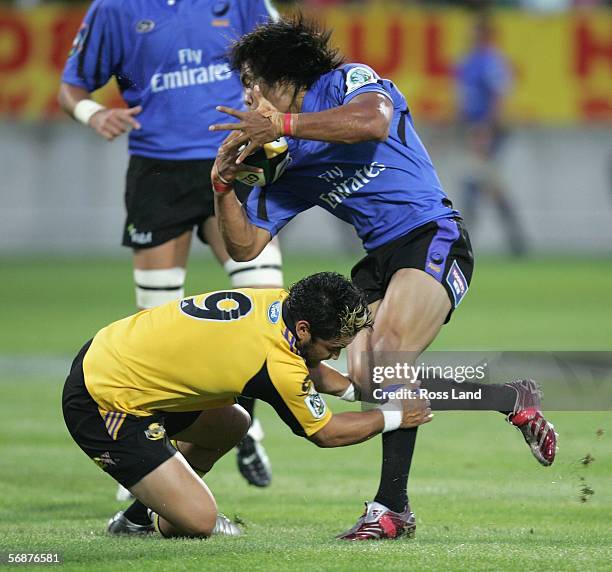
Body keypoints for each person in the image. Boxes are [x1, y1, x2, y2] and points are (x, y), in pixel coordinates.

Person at [208, 15, 558, 540]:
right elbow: (246, 245)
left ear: (284, 78)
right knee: (372, 382)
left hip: (433, 235)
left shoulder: (348, 82)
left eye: (252, 80)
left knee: (391, 354)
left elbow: (372, 121)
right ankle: (510, 398)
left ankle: (392, 509)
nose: (247, 93)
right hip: (378, 260)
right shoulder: (288, 160)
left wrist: (281, 127)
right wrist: (222, 187)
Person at [57, 0, 281, 493]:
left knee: (265, 298)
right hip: (158, 169)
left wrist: (270, 110)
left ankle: (249, 423)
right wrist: (95, 114)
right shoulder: (114, 9)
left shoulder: (243, 3)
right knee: (155, 323)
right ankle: (152, 452)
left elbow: (282, 58)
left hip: (233, 155)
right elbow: (71, 86)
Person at [62, 272, 434, 538]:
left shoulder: (276, 301)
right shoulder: (276, 364)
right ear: (303, 329)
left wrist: (354, 390)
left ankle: (138, 517)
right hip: (105, 399)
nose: (336, 355)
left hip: (115, 354)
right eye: (334, 347)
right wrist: (395, 416)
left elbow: (306, 363)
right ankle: (164, 512)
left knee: (232, 423)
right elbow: (326, 433)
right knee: (197, 521)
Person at [456, 14, 527, 256]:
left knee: (476, 182)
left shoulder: (490, 61)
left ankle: (465, 243)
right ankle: (516, 241)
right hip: (475, 129)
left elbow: (497, 97)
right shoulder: (470, 62)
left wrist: (486, 129)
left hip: (487, 131)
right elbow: (466, 100)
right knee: (486, 184)